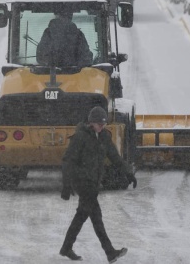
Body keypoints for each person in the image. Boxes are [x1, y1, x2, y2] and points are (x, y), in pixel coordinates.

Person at [59, 106, 137, 263]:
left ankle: (67, 248)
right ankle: (109, 252)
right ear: (91, 123)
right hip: (82, 181)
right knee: (94, 217)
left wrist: (129, 173)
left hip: (94, 182)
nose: (102, 127)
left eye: (103, 124)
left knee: (84, 216)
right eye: (99, 124)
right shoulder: (80, 137)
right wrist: (66, 185)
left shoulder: (104, 137)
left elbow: (115, 157)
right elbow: (68, 161)